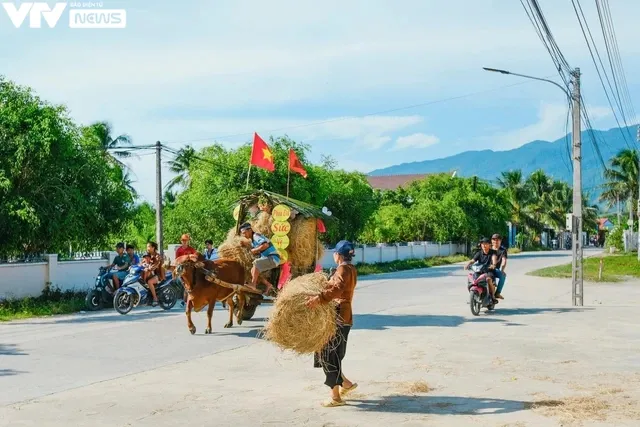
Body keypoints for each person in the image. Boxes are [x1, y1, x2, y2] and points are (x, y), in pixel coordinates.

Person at [306, 240, 358, 408]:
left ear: (338, 255)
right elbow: (336, 286)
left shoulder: (342, 269)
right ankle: (346, 384)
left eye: (335, 253)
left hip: (338, 316)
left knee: (329, 354)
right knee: (333, 354)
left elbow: (337, 288)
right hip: (343, 316)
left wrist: (318, 298)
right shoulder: (351, 268)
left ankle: (335, 397)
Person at [239, 222, 280, 294]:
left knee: (256, 263)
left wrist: (255, 250)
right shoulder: (253, 241)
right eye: (243, 233)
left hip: (273, 258)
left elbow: (266, 245)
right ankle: (268, 284)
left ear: (250, 230)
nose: (244, 235)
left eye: (244, 232)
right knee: (253, 270)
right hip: (269, 258)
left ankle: (253, 285)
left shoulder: (256, 236)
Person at [464, 237, 498, 303]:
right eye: (482, 244)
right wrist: (467, 264)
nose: (484, 245)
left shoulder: (493, 252)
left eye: (486, 244)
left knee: (488, 279)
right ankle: (473, 296)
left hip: (489, 271)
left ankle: (493, 296)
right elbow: (473, 260)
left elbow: (494, 259)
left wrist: (493, 265)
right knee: (472, 279)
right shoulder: (479, 253)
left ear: (489, 245)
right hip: (479, 271)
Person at [175, 234, 197, 307]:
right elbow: (177, 260)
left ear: (188, 241)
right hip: (182, 269)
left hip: (191, 269)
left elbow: (195, 257)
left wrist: (191, 257)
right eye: (183, 240)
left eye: (186, 240)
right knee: (185, 285)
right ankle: (184, 301)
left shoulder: (191, 249)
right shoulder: (179, 250)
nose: (184, 242)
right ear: (181, 241)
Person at [143, 241, 164, 306]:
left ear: (153, 247)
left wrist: (150, 268)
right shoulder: (147, 255)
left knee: (149, 282)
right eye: (147, 247)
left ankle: (155, 298)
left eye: (149, 246)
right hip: (150, 274)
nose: (147, 248)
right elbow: (142, 262)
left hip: (158, 275)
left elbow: (156, 265)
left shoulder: (157, 256)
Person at [491, 234, 508, 300]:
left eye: (497, 240)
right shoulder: (488, 248)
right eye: (494, 239)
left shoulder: (503, 250)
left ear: (500, 241)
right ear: (491, 241)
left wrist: (502, 269)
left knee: (503, 276)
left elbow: (504, 260)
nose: (495, 241)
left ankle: (497, 293)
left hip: (495, 269)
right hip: (485, 268)